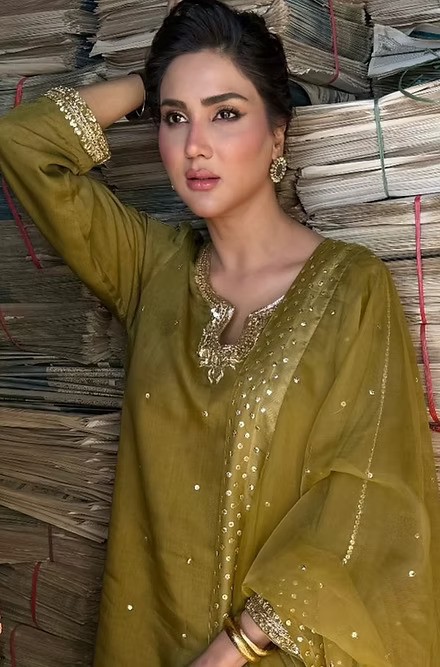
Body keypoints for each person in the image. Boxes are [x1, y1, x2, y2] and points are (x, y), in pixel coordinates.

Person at [0, 0, 439, 665]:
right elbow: (23, 145)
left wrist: (235, 646)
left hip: (273, 653)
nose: (194, 145)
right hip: (144, 639)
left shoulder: (351, 287)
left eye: (225, 113)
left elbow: (364, 494)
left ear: (278, 135)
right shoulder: (150, 269)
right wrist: (150, 79)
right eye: (175, 117)